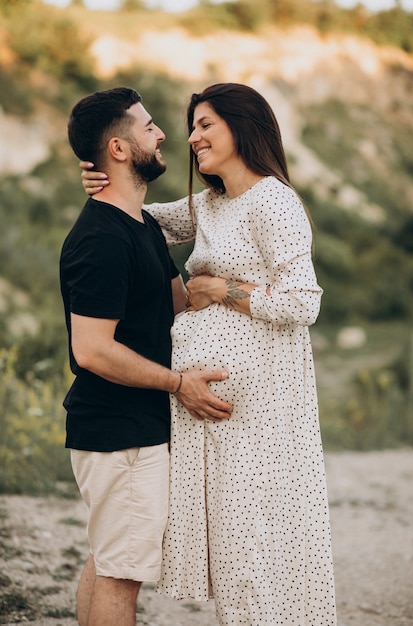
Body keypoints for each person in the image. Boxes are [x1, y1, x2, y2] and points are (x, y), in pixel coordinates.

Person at [81, 82, 337, 626]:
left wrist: (222, 292)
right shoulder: (210, 204)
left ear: (242, 127)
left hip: (262, 415)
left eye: (205, 124)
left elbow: (303, 301)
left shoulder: (273, 200)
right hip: (212, 421)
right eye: (192, 125)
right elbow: (140, 217)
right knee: (235, 557)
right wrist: (101, 177)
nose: (192, 137)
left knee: (257, 556)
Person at [61, 86, 233, 626]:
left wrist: (213, 290)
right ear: (118, 148)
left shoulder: (140, 227)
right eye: (149, 125)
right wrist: (179, 383)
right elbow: (91, 350)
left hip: (127, 429)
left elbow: (174, 305)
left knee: (110, 561)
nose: (162, 134)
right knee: (121, 576)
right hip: (121, 433)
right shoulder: (102, 240)